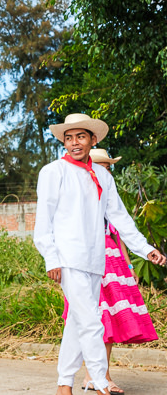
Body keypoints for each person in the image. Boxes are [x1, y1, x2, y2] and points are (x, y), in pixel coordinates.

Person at [34, 113, 167, 395]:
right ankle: (101, 380)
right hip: (67, 258)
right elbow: (43, 221)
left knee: (77, 323)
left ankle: (63, 384)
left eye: (80, 137)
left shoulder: (103, 176)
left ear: (92, 140)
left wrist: (145, 249)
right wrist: (51, 257)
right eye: (68, 138)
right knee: (92, 320)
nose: (74, 143)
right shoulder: (53, 172)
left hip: (95, 260)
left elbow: (120, 217)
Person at [68, 148, 158, 395]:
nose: (107, 170)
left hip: (114, 264)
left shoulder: (107, 194)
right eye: (103, 166)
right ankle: (94, 377)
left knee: (110, 323)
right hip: (89, 261)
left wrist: (129, 265)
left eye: (108, 166)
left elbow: (117, 232)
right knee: (95, 320)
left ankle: (100, 377)